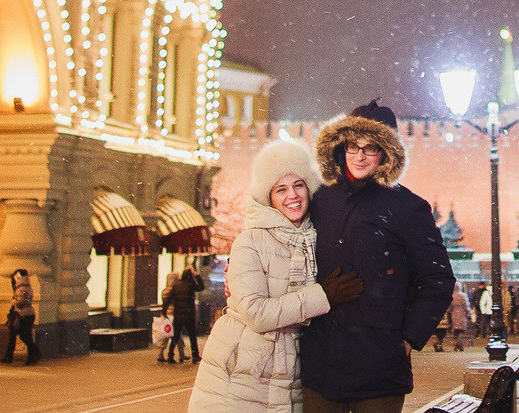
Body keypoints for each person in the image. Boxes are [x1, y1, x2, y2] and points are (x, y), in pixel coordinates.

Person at [298, 100, 454, 413]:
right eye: (353, 146)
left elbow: (438, 279)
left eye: (370, 148)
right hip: (320, 368)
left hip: (379, 372)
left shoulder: (408, 208)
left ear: (386, 152)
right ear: (341, 147)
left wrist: (408, 339)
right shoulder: (320, 200)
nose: (359, 156)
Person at [189, 140, 361, 413]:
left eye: (299, 185)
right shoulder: (250, 242)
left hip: (292, 366)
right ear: (267, 197)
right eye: (281, 189)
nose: (292, 195)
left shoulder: (317, 239)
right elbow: (257, 314)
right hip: (244, 368)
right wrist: (324, 296)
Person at [3, 268, 40, 365]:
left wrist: (13, 301)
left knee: (22, 336)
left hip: (22, 314)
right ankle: (32, 355)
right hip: (28, 314)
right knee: (24, 336)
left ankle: (33, 354)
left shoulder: (21, 289)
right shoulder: (27, 287)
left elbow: (20, 302)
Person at [171, 266, 204, 364]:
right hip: (189, 315)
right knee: (192, 336)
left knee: (176, 336)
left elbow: (170, 298)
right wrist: (197, 276)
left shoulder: (176, 285)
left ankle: (170, 355)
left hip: (178, 315)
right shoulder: (191, 284)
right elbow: (201, 287)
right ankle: (195, 356)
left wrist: (164, 310)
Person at [447, 282, 469, 352]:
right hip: (462, 314)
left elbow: (449, 307)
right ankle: (459, 343)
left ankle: (457, 343)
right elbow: (466, 306)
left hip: (454, 314)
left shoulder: (452, 296)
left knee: (456, 330)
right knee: (460, 330)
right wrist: (469, 314)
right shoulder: (463, 296)